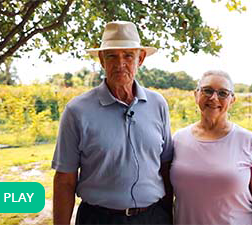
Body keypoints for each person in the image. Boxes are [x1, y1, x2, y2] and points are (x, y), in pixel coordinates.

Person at [52, 21, 173, 225]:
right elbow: (65, 179)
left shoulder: (158, 104)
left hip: (153, 217)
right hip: (99, 219)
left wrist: (168, 214)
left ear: (140, 59)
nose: (120, 64)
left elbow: (166, 165)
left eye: (128, 55)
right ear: (101, 59)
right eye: (112, 56)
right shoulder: (77, 111)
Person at [170, 70, 252, 225]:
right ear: (196, 95)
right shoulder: (178, 139)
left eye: (223, 93)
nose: (213, 98)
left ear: (232, 99)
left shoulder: (248, 141)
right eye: (207, 90)